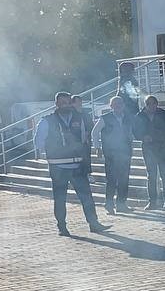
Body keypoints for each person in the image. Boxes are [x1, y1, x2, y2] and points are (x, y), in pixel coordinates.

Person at [35, 92, 109, 236]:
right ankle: (62, 227)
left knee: (87, 196)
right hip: (58, 166)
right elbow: (39, 142)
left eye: (68, 102)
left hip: (77, 165)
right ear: (56, 104)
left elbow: (83, 139)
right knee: (60, 198)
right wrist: (54, 151)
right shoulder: (46, 121)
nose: (66, 105)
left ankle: (94, 224)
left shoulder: (78, 118)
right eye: (63, 103)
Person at [132, 94, 165, 210]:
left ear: (157, 104)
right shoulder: (139, 116)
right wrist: (143, 137)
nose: (151, 106)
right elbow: (135, 131)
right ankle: (152, 202)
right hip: (148, 148)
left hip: (163, 147)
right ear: (145, 105)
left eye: (153, 103)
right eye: (149, 104)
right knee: (151, 175)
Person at [91, 95, 135, 215]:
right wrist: (97, 147)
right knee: (111, 179)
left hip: (125, 152)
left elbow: (131, 132)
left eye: (120, 104)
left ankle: (121, 204)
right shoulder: (105, 118)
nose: (118, 106)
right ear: (111, 106)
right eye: (115, 104)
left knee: (124, 179)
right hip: (110, 153)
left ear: (123, 105)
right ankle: (109, 204)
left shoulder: (127, 118)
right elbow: (95, 133)